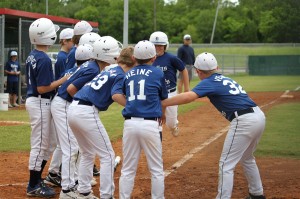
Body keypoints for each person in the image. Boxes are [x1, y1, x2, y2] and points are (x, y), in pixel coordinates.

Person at [162, 52, 266, 199]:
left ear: (198, 71)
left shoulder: (208, 82)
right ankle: (257, 194)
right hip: (259, 116)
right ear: (217, 67)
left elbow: (188, 96)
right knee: (247, 157)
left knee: (226, 164)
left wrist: (163, 102)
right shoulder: (224, 78)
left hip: (244, 121)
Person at [68, 36, 126, 199]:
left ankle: (84, 192)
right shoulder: (116, 72)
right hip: (86, 111)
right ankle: (107, 195)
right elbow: (116, 95)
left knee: (87, 152)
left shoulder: (107, 69)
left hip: (73, 109)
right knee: (107, 155)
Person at [25, 18, 69, 198]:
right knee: (40, 144)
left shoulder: (33, 54)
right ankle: (32, 185)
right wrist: (64, 79)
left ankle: (37, 179)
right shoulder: (42, 58)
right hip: (40, 101)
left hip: (40, 101)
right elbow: (42, 88)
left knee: (49, 142)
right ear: (48, 36)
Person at [119, 40, 168, 199]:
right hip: (150, 123)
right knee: (156, 169)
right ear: (153, 58)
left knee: (127, 169)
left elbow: (125, 94)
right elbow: (163, 97)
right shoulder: (158, 73)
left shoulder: (128, 74)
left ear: (134, 58)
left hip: (130, 123)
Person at [51, 43, 98, 199]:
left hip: (64, 104)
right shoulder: (87, 69)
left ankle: (75, 180)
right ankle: (67, 189)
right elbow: (72, 90)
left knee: (74, 146)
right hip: (64, 104)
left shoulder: (76, 69)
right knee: (71, 147)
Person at [149, 31, 189, 137]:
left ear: (165, 45)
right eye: (155, 45)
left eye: (160, 45)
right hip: (155, 94)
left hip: (170, 93)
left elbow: (183, 70)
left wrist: (187, 89)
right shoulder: (149, 60)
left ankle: (174, 125)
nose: (158, 47)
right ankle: (157, 138)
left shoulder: (171, 58)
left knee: (170, 123)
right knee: (156, 121)